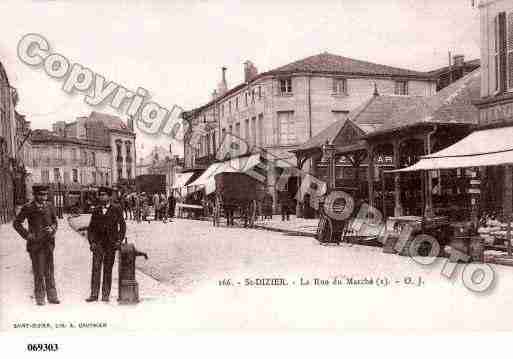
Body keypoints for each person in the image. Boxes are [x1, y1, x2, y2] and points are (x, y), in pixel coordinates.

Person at [13, 185, 60, 306]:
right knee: (39, 271)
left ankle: (52, 296)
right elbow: (16, 223)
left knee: (49, 271)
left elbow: (55, 221)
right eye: (40, 195)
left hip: (49, 244)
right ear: (35, 195)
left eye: (45, 194)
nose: (43, 197)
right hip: (35, 245)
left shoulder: (50, 206)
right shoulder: (28, 208)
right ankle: (40, 297)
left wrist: (53, 228)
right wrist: (28, 235)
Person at [85, 186, 126, 302]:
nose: (101, 197)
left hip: (111, 244)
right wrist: (92, 242)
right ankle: (93, 294)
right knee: (96, 269)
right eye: (100, 195)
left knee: (108, 269)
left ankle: (105, 295)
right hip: (98, 244)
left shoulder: (117, 208)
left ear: (109, 196)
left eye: (104, 195)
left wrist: (119, 240)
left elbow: (122, 226)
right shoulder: (96, 209)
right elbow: (91, 228)